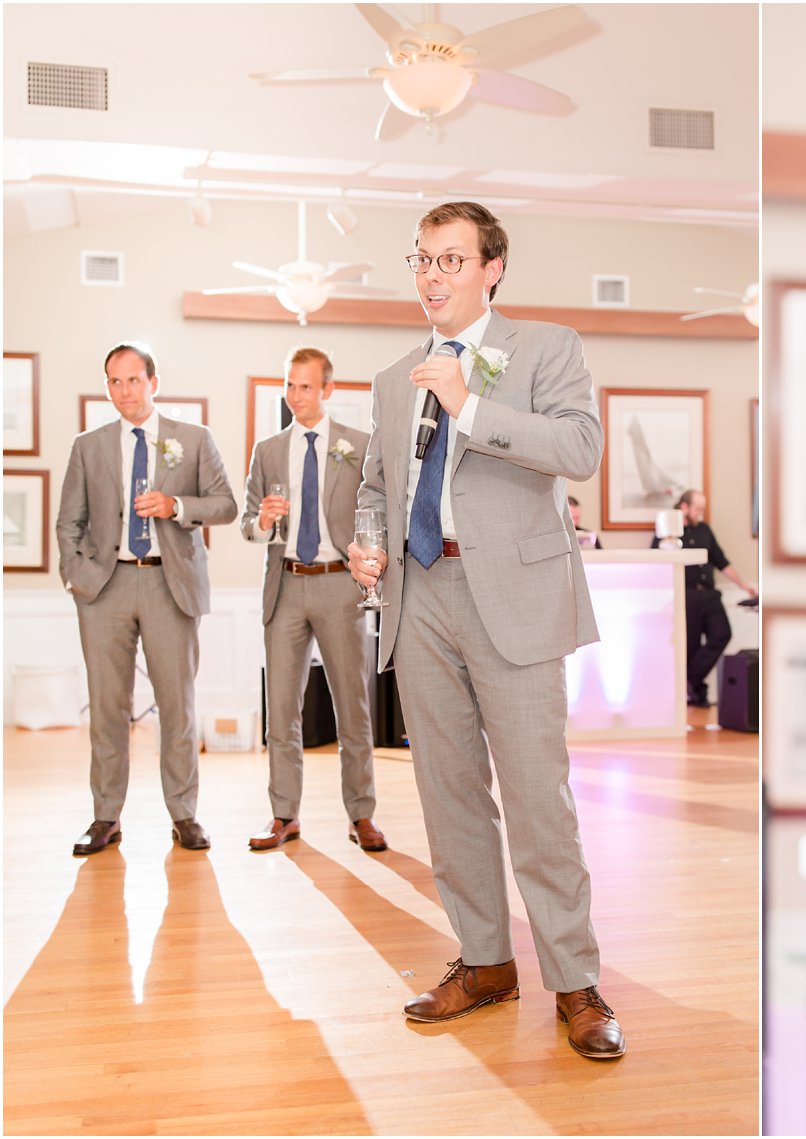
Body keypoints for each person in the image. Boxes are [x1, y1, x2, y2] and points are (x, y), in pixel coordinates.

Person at [347, 201, 622, 1059]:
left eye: (451, 260)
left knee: (540, 797)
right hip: (420, 595)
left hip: (516, 596)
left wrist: (470, 405)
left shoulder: (546, 348)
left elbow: (580, 448)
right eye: (422, 260)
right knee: (449, 792)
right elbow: (377, 485)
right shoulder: (395, 377)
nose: (432, 275)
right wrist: (369, 541)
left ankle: (575, 981)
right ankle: (485, 960)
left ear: (492, 267)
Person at [57, 341, 238, 855]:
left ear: (153, 383)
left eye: (132, 380)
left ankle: (185, 815)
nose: (123, 391)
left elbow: (225, 505)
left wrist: (176, 504)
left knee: (177, 707)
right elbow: (68, 521)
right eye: (114, 381)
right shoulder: (88, 446)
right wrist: (77, 576)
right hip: (104, 588)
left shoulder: (193, 439)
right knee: (107, 711)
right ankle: (105, 818)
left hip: (169, 584)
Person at [241, 346, 384, 854]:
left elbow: (376, 515)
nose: (296, 395)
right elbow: (246, 524)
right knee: (281, 710)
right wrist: (261, 521)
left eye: (306, 386)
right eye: (290, 385)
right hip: (284, 585)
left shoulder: (358, 445)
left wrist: (370, 558)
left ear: (326, 390)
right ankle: (284, 815)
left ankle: (361, 815)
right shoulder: (267, 450)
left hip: (338, 586)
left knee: (353, 706)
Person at [654, 489, 757, 707]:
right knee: (689, 646)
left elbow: (720, 560)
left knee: (722, 634)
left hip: (709, 594)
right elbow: (657, 561)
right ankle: (696, 692)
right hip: (686, 596)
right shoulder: (667, 532)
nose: (701, 512)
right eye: (698, 508)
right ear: (684, 507)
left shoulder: (704, 530)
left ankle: (690, 680)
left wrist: (744, 586)